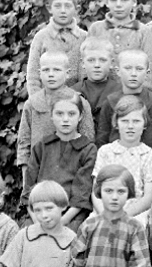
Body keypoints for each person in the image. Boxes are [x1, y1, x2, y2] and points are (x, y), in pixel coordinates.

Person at [22, 92, 97, 231]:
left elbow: (81, 195)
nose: (65, 119)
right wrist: (37, 221)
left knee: (71, 237)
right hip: (39, 214)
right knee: (28, 235)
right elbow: (29, 190)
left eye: (71, 114)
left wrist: (61, 222)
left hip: (71, 216)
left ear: (80, 116)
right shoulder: (41, 147)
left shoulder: (87, 149)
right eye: (59, 114)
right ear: (51, 116)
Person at [17, 50, 95, 178]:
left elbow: (88, 140)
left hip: (71, 174)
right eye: (46, 70)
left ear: (67, 73)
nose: (51, 74)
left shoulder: (80, 102)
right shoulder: (31, 104)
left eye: (57, 70)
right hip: (40, 172)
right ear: (39, 73)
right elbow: (24, 143)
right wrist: (26, 177)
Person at [92, 95, 152, 226]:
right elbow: (96, 191)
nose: (130, 126)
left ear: (144, 124)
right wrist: (105, 214)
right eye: (124, 121)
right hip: (104, 211)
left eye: (136, 121)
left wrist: (122, 216)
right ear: (116, 123)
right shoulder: (105, 152)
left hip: (136, 213)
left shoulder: (149, 155)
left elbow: (148, 197)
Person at [87, 0, 152, 91]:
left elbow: (150, 70)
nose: (118, 5)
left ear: (134, 2)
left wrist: (141, 93)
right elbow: (86, 63)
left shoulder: (143, 31)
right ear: (107, 2)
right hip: (99, 93)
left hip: (133, 93)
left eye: (124, 0)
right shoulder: (96, 29)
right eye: (113, 0)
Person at [96, 49, 152, 151]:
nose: (133, 73)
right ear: (118, 71)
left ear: (147, 73)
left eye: (139, 69)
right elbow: (102, 139)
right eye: (128, 68)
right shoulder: (110, 102)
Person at [26, 0, 87, 94]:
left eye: (68, 6)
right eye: (58, 6)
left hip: (76, 98)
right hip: (47, 98)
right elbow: (33, 75)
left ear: (76, 9)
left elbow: (85, 75)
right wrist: (37, 100)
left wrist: (79, 99)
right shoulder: (41, 37)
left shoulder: (84, 38)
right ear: (49, 8)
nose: (63, 11)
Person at [71, 37, 122, 126]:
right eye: (91, 60)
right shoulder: (73, 92)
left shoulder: (120, 91)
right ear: (83, 63)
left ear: (111, 63)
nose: (97, 65)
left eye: (102, 60)